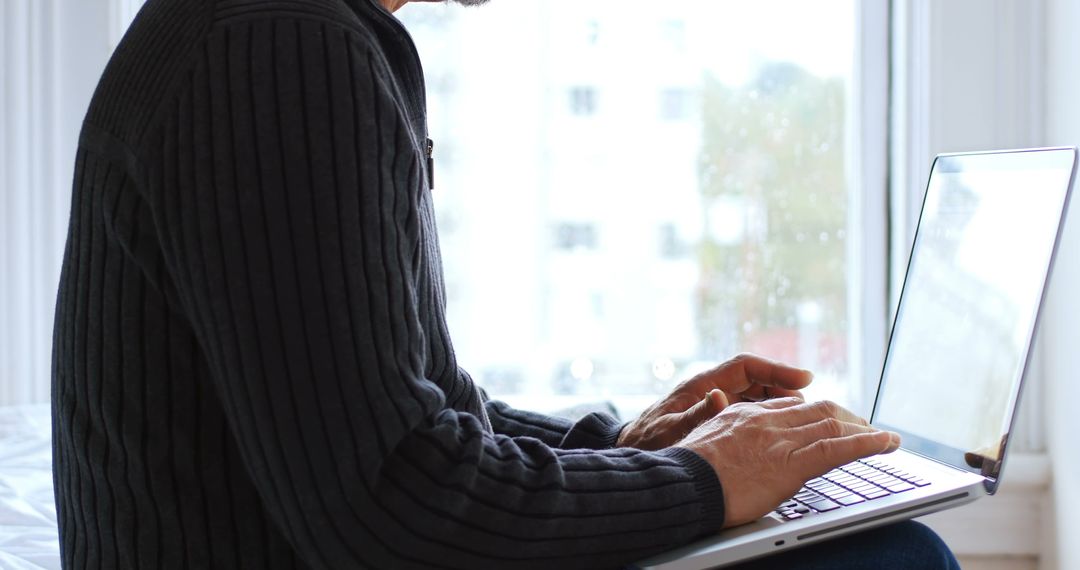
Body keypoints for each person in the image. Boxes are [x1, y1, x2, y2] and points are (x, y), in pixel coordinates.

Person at [50, 0, 960, 567]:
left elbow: (396, 418)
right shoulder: (277, 48)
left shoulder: (283, 31)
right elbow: (393, 506)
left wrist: (623, 448)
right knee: (895, 561)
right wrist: (700, 481)